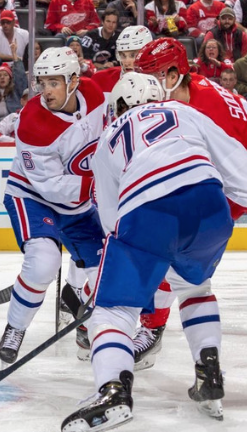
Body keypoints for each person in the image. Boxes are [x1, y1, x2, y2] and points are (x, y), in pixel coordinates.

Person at [61, 71, 247, 431]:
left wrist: (133, 262)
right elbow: (239, 168)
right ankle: (209, 374)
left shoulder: (109, 137)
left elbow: (111, 218)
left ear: (118, 107)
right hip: (209, 207)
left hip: (148, 213)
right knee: (195, 288)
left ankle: (113, 390)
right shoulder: (184, 111)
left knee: (113, 308)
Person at [128, 37, 247, 370]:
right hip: (228, 182)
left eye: (151, 77)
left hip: (235, 185)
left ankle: (154, 330)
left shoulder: (202, 109)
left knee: (181, 261)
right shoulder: (189, 92)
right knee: (174, 257)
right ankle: (153, 328)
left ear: (172, 75)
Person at [0, 47, 106, 364]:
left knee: (106, 273)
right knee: (44, 262)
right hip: (33, 196)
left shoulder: (95, 94)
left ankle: (87, 322)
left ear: (73, 81)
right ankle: (15, 328)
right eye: (42, 82)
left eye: (53, 83)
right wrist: (101, 186)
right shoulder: (33, 123)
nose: (45, 91)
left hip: (79, 201)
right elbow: (52, 186)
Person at [91, 25, 152, 96]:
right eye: (123, 55)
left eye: (132, 55)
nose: (126, 62)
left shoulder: (160, 81)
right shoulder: (101, 79)